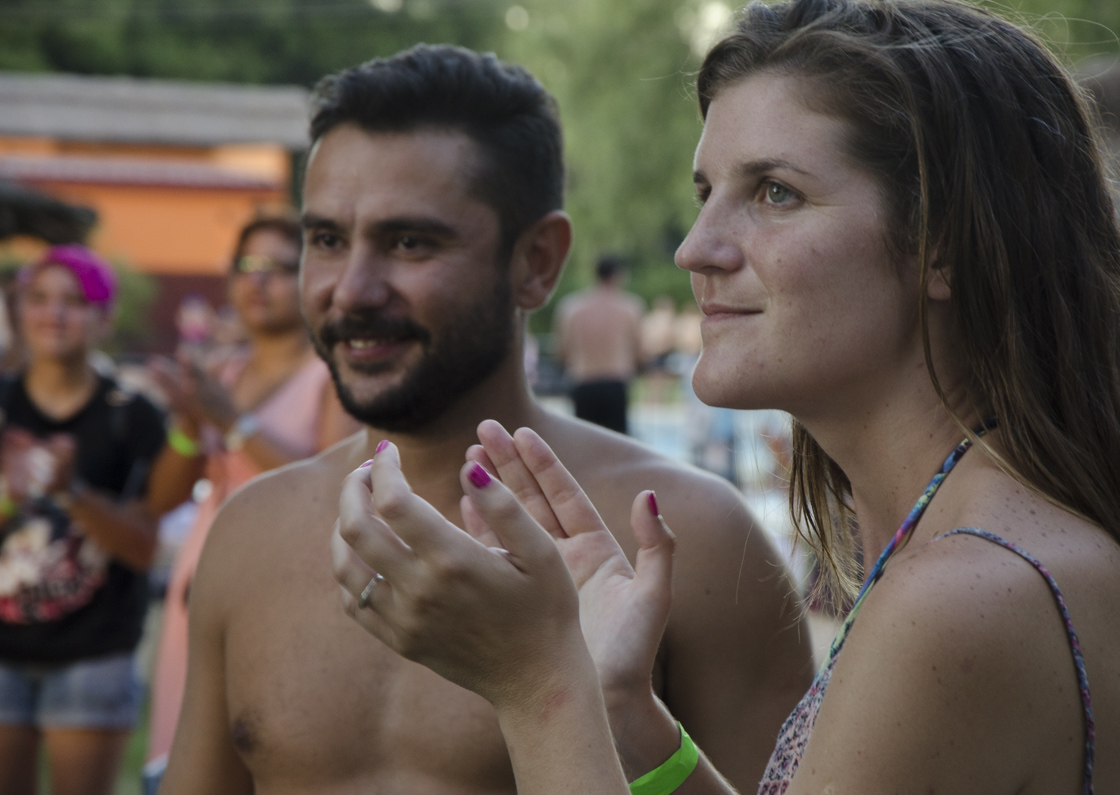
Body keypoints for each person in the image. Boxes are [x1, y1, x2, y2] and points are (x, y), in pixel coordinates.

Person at [332, 2, 1120, 794]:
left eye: (775, 193)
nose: (695, 247)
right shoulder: (984, 543)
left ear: (944, 242)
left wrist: (535, 685)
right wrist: (624, 711)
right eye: (707, 194)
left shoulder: (961, 594)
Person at [159, 45, 811, 795]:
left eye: (409, 242)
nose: (353, 289)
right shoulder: (249, 534)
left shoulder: (689, 542)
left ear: (537, 261)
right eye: (328, 240)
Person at [145, 215, 359, 768]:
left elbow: (334, 493)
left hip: (284, 585)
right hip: (201, 576)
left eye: (278, 268)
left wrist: (233, 422)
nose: (258, 282)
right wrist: (188, 422)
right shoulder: (224, 372)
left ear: (312, 276)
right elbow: (163, 499)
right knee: (187, 754)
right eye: (247, 266)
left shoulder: (333, 377)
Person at [0, 245, 175, 795]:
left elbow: (143, 548)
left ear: (104, 318)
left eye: (74, 302)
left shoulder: (133, 415)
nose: (54, 314)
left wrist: (70, 490)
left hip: (94, 652)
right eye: (39, 298)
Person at [555, 256, 644, 433]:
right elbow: (639, 352)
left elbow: (562, 351)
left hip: (583, 381)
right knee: (617, 443)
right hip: (615, 381)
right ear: (618, 275)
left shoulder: (572, 306)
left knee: (585, 442)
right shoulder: (629, 306)